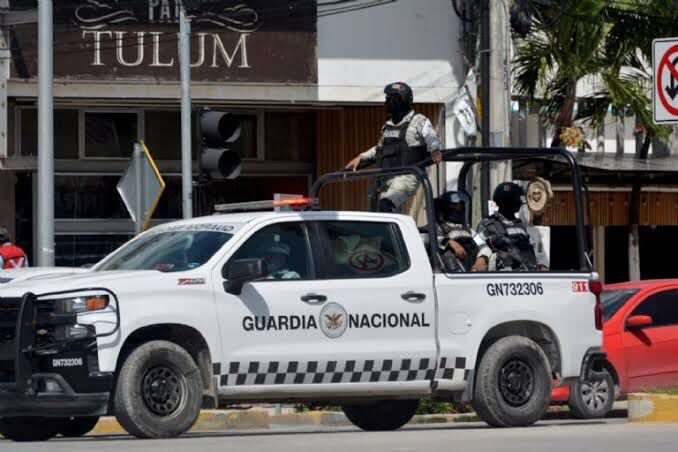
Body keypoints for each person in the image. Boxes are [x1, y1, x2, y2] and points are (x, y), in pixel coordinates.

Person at [345, 82, 443, 213]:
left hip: (407, 176)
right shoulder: (388, 125)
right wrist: (361, 157)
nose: (386, 102)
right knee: (378, 213)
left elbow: (430, 135)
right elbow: (380, 149)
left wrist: (435, 150)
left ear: (401, 100)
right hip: (387, 176)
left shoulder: (418, 120)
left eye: (390, 99)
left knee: (385, 206)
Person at [477, 182, 545, 272]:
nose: (520, 202)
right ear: (507, 201)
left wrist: (538, 265)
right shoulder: (487, 224)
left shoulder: (520, 225)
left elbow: (530, 249)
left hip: (527, 275)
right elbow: (480, 246)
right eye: (516, 198)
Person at [434, 192, 491, 272]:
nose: (458, 209)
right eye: (454, 206)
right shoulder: (436, 227)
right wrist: (449, 242)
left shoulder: (469, 231)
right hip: (448, 275)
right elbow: (428, 240)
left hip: (470, 271)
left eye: (460, 207)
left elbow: (483, 246)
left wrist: (483, 258)